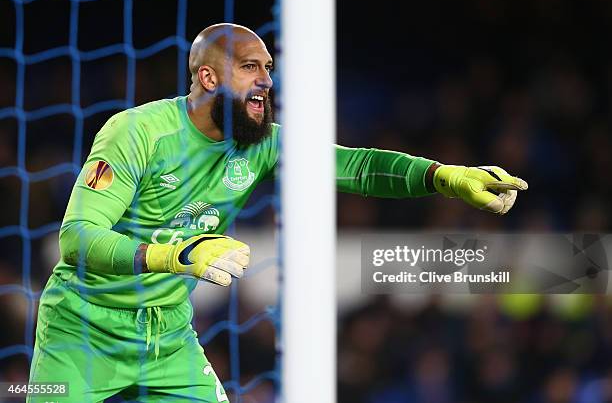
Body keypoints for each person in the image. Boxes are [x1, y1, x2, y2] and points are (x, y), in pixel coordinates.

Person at [27, 23, 527, 402]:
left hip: (166, 336)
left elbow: (356, 166)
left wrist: (443, 176)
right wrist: (175, 256)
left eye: (267, 67)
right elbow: (77, 239)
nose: (266, 80)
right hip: (83, 331)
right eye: (249, 67)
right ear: (206, 76)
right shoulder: (138, 132)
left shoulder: (262, 144)